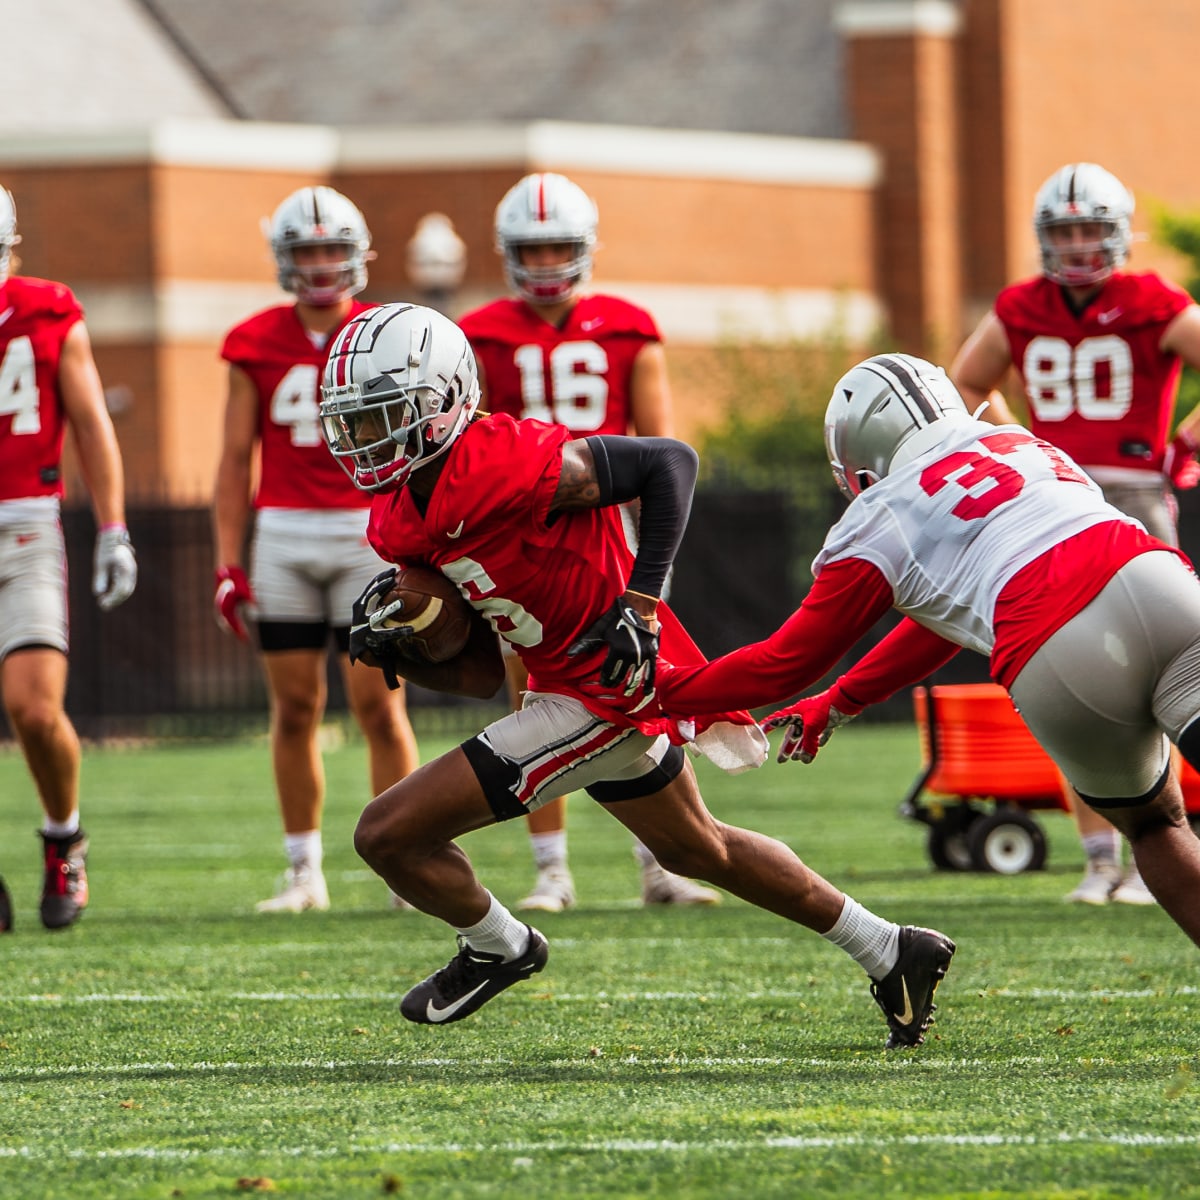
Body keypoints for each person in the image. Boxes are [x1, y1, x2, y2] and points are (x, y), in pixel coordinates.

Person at [317, 302, 955, 1049]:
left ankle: (500, 946)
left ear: (441, 402)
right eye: (354, 421)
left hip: (602, 687)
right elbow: (482, 669)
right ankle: (891, 949)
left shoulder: (505, 460)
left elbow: (669, 463)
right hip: (560, 681)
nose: (364, 438)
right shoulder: (395, 514)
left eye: (381, 416)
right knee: (697, 849)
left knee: (386, 836)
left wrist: (641, 602)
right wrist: (410, 646)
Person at [655, 352, 1200, 954]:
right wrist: (842, 699)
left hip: (1057, 651)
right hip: (1160, 586)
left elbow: (786, 661)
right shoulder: (1022, 443)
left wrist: (664, 692)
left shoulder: (881, 516)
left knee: (1157, 825)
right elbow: (950, 614)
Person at [456, 171, 718, 913]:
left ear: (585, 249)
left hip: (609, 525)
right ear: (510, 254)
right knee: (529, 692)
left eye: (557, 250)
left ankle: (663, 861)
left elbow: (662, 445)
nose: (544, 266)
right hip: (523, 531)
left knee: (643, 681)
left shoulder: (630, 328)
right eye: (531, 252)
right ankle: (552, 870)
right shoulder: (479, 335)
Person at [950, 162, 1200, 907]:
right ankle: (1099, 861)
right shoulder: (1021, 306)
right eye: (1065, 231)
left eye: (1092, 228)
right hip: (1050, 497)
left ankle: (1163, 848)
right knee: (1072, 679)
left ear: (1120, 233)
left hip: (1134, 496)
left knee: (1167, 679)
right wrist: (1013, 437)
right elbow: (961, 383)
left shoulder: (1154, 301)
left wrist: (1188, 437)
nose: (1081, 244)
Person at [212, 186, 419, 914]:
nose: (322, 264)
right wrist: (227, 561)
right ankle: (304, 870)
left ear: (359, 255)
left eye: (333, 249)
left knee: (379, 704)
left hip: (368, 532)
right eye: (307, 250)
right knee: (294, 707)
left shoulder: (390, 333)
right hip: (285, 536)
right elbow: (235, 458)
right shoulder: (253, 341)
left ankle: (406, 859)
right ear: (284, 259)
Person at [0, 185, 138, 931]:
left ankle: (63, 837)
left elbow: (90, 425)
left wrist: (113, 526)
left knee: (32, 706)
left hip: (25, 525)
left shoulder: (50, 310)